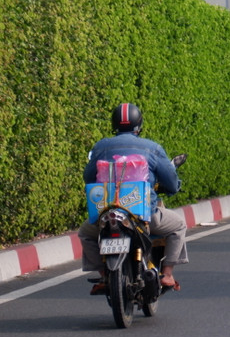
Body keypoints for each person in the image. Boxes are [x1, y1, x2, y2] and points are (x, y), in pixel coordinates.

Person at [78, 103, 187, 293]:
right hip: (144, 216)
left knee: (85, 233)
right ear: (139, 124)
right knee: (179, 225)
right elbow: (170, 181)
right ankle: (168, 274)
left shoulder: (101, 147)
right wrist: (174, 187)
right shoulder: (152, 148)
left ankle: (104, 276)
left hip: (107, 212)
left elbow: (88, 177)